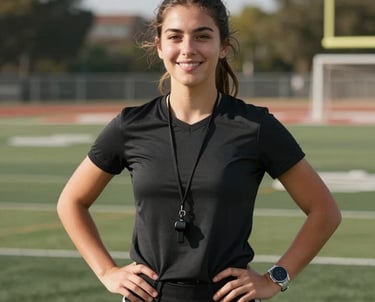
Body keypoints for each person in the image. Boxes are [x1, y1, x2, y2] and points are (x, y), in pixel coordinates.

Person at [57, 1, 341, 301]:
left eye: (202, 36)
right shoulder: (131, 125)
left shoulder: (255, 126)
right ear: (159, 47)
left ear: (223, 46)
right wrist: (107, 272)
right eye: (175, 36)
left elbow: (325, 211)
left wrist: (275, 279)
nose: (188, 48)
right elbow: (71, 202)